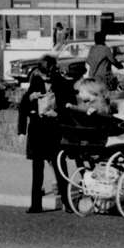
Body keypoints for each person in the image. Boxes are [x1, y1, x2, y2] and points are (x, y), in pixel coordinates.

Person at [19, 54, 74, 213]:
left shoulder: (62, 83)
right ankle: (36, 204)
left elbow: (70, 106)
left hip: (54, 130)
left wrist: (58, 114)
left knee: (60, 167)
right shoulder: (35, 81)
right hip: (37, 130)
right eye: (42, 74)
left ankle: (67, 202)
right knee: (37, 169)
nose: (43, 77)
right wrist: (31, 97)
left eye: (45, 75)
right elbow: (23, 106)